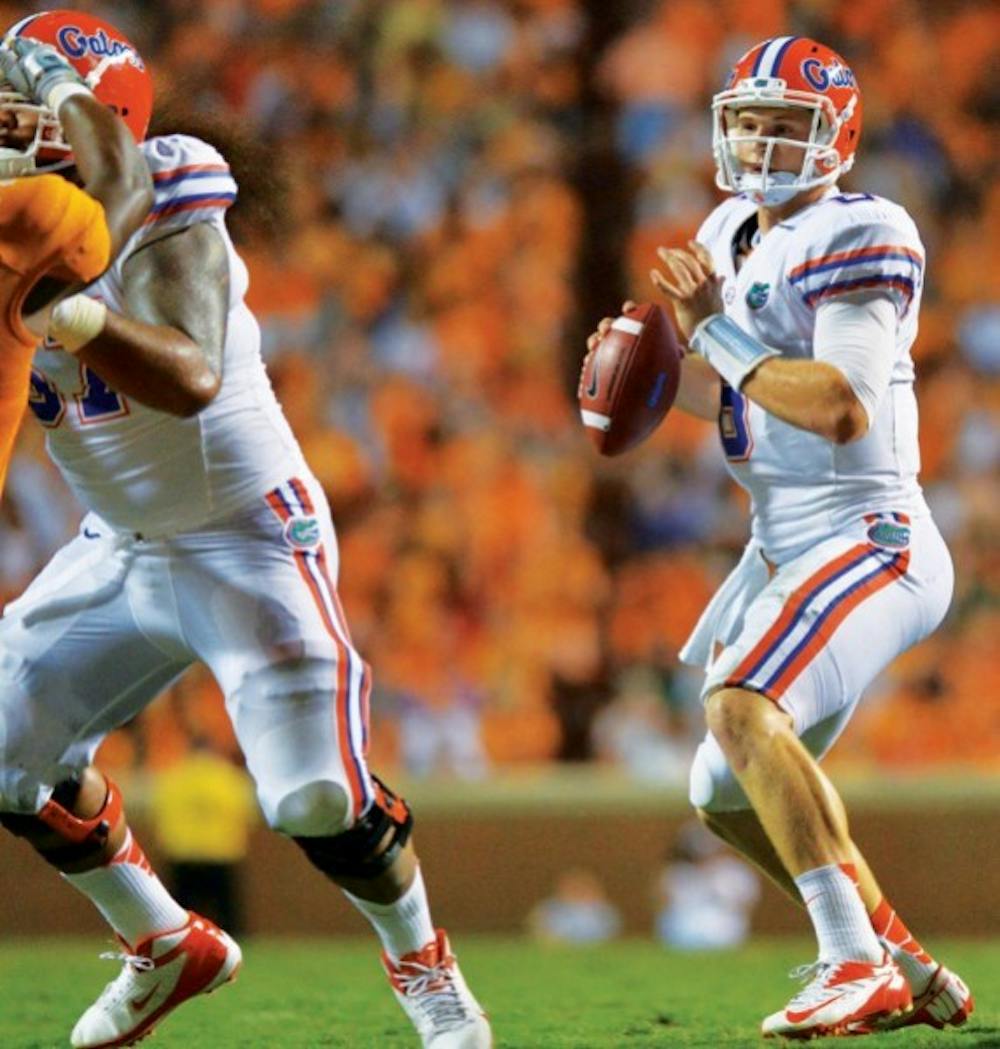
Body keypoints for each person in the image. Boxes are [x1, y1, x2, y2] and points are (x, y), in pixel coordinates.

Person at [0, 11, 490, 1049]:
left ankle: (425, 965)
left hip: (247, 535)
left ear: (96, 125)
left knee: (316, 796)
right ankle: (166, 940)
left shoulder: (172, 181)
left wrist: (71, 313)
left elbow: (188, 375)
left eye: (17, 116)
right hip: (117, 542)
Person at [587, 35, 973, 1039]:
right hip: (783, 540)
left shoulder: (866, 226)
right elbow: (742, 399)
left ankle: (850, 961)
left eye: (785, 122)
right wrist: (637, 383)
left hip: (869, 532)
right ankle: (896, 955)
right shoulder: (729, 228)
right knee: (721, 791)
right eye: (747, 118)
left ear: (836, 134)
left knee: (741, 705)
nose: (761, 139)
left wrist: (708, 332)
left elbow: (838, 406)